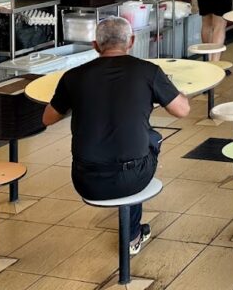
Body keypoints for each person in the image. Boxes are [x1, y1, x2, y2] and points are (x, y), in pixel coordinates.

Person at [43, 18, 191, 255]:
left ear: (95, 45)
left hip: (85, 179)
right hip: (132, 178)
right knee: (151, 138)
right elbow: (182, 110)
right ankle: (132, 236)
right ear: (131, 42)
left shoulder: (73, 77)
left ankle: (132, 229)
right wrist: (177, 92)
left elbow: (47, 118)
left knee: (133, 142)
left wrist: (76, 101)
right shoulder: (148, 71)